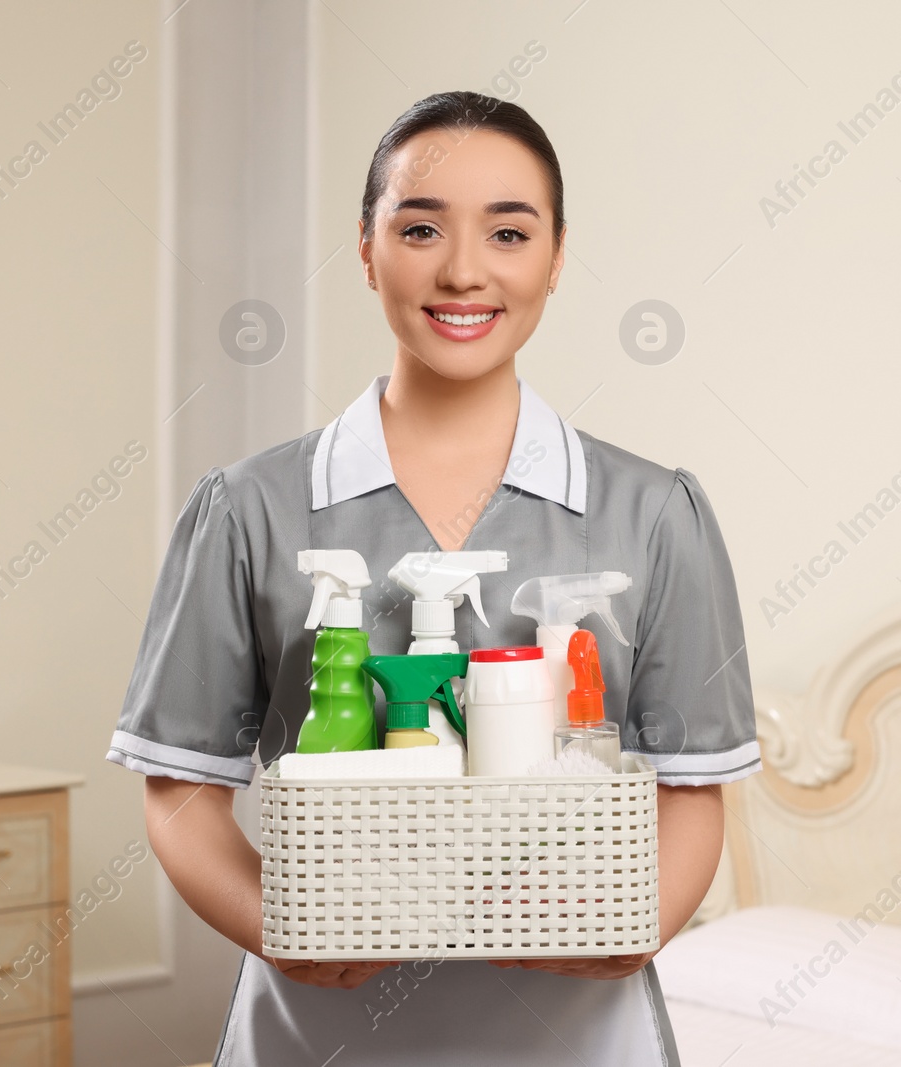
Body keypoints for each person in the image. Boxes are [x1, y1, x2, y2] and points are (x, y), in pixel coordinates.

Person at [107, 90, 760, 1066]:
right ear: (366, 248)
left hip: (581, 1038)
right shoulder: (248, 509)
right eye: (420, 227)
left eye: (508, 230)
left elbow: (690, 789)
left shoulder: (654, 512)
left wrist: (633, 930)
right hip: (313, 1034)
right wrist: (276, 926)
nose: (463, 270)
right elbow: (180, 787)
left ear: (555, 255)